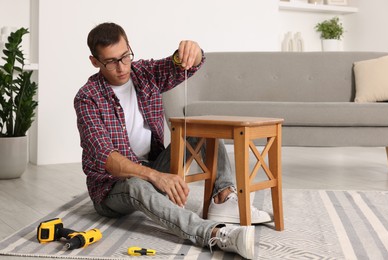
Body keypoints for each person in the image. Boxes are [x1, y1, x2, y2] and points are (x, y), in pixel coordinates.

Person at [74, 22, 271, 259]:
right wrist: (157, 177)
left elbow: (181, 64)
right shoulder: (87, 98)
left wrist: (192, 51)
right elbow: (107, 159)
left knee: (203, 129)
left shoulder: (144, 73)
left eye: (125, 56)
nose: (122, 66)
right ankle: (215, 234)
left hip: (154, 166)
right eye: (111, 61)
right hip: (112, 188)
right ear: (95, 62)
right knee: (137, 185)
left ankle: (222, 198)